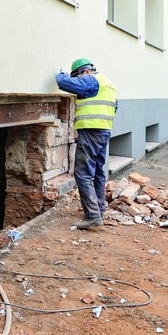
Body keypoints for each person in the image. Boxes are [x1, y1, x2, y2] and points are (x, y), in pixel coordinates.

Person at [56, 58, 118, 230]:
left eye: (78, 77)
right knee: (98, 171)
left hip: (91, 131)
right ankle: (99, 208)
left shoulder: (90, 79)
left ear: (83, 72)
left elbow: (63, 82)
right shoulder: (108, 83)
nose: (79, 81)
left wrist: (61, 73)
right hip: (104, 131)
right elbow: (115, 107)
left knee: (83, 173)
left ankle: (92, 215)